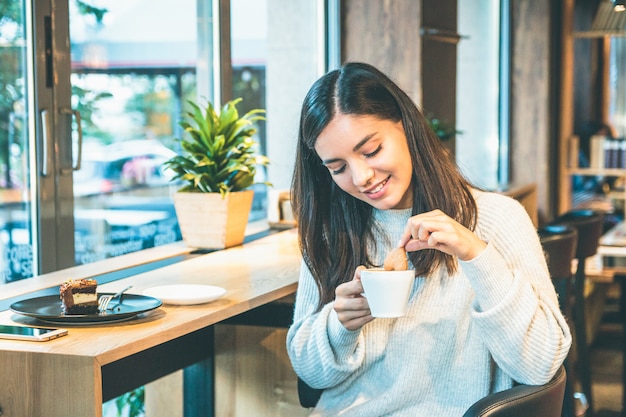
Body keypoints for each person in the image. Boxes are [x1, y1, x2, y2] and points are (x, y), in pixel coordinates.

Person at [286, 62, 571, 416]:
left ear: (406, 127)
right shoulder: (333, 232)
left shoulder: (495, 218)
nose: (360, 177)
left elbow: (540, 365)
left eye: (371, 151)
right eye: (338, 168)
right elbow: (310, 375)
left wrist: (475, 255)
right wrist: (338, 324)